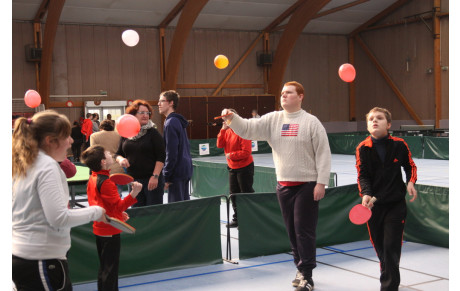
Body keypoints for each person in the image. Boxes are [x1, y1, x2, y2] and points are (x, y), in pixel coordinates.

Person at [221, 81, 331, 291]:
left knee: (303, 231)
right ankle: (299, 269)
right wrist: (232, 118)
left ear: (300, 96)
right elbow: (247, 129)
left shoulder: (311, 122)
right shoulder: (273, 119)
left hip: (307, 185)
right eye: (282, 93)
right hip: (284, 185)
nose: (284, 96)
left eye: (289, 93)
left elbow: (323, 153)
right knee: (291, 231)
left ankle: (307, 274)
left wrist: (321, 183)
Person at [12, 110, 106, 291]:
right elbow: (59, 218)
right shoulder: (46, 166)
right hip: (41, 260)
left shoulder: (25, 162)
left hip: (24, 257)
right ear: (50, 141)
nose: (71, 141)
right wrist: (96, 211)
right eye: (67, 136)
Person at [355, 107, 417, 291]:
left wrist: (411, 182)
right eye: (371, 119)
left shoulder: (399, 144)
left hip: (395, 205)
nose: (375, 121)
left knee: (391, 247)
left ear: (388, 124)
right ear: (367, 126)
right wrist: (365, 194)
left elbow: (410, 166)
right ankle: (388, 273)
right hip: (373, 207)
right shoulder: (362, 148)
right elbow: (362, 176)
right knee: (381, 248)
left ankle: (389, 287)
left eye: (379, 118)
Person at [81, 145, 142, 291]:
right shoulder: (107, 182)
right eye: (107, 153)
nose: (110, 154)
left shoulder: (93, 177)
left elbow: (101, 205)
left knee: (105, 267)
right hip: (110, 229)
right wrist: (134, 193)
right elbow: (118, 206)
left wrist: (118, 215)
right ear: (103, 161)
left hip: (100, 227)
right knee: (110, 270)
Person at [115, 99, 166, 206]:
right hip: (133, 181)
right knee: (137, 212)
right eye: (141, 112)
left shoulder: (153, 133)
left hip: (151, 180)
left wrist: (155, 176)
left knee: (153, 213)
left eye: (147, 113)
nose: (145, 115)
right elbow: (118, 154)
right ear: (133, 115)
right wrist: (121, 160)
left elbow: (161, 157)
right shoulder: (126, 133)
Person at [216, 108, 254, 228]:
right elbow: (219, 144)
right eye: (224, 118)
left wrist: (231, 155)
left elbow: (246, 152)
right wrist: (222, 130)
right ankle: (237, 218)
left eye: (227, 118)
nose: (225, 120)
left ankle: (249, 218)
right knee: (234, 194)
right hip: (232, 167)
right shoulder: (226, 131)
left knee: (245, 193)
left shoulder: (243, 131)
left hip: (245, 167)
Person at [158, 90, 193, 202]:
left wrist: (166, 176)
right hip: (185, 169)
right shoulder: (176, 121)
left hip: (177, 172)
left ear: (171, 103)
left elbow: (171, 152)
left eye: (162, 101)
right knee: (184, 206)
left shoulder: (171, 123)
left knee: (177, 210)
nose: (158, 104)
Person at [91, 120, 125, 196]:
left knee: (104, 198)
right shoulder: (120, 135)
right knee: (117, 196)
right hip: (119, 169)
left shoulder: (94, 136)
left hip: (103, 170)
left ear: (101, 128)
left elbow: (93, 153)